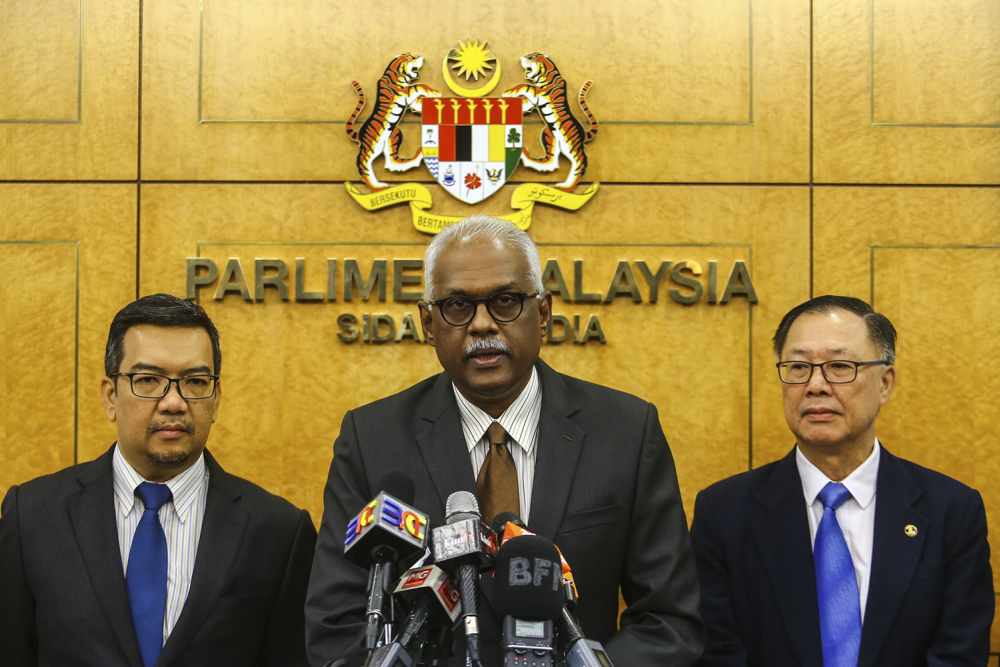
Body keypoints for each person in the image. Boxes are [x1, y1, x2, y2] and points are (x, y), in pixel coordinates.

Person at [305, 216, 703, 666]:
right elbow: (335, 625)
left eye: (505, 302)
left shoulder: (627, 432)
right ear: (428, 323)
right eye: (457, 306)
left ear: (545, 313)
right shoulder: (372, 439)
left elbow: (669, 621)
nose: (481, 325)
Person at [0, 294, 317, 667]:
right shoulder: (34, 516)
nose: (174, 402)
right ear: (109, 396)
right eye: (148, 380)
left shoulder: (278, 532)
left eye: (195, 381)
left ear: (215, 399)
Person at [691, 295, 994, 666]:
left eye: (839, 366)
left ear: (885, 383)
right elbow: (718, 654)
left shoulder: (950, 511)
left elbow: (958, 655)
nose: (816, 385)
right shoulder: (725, 512)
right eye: (798, 367)